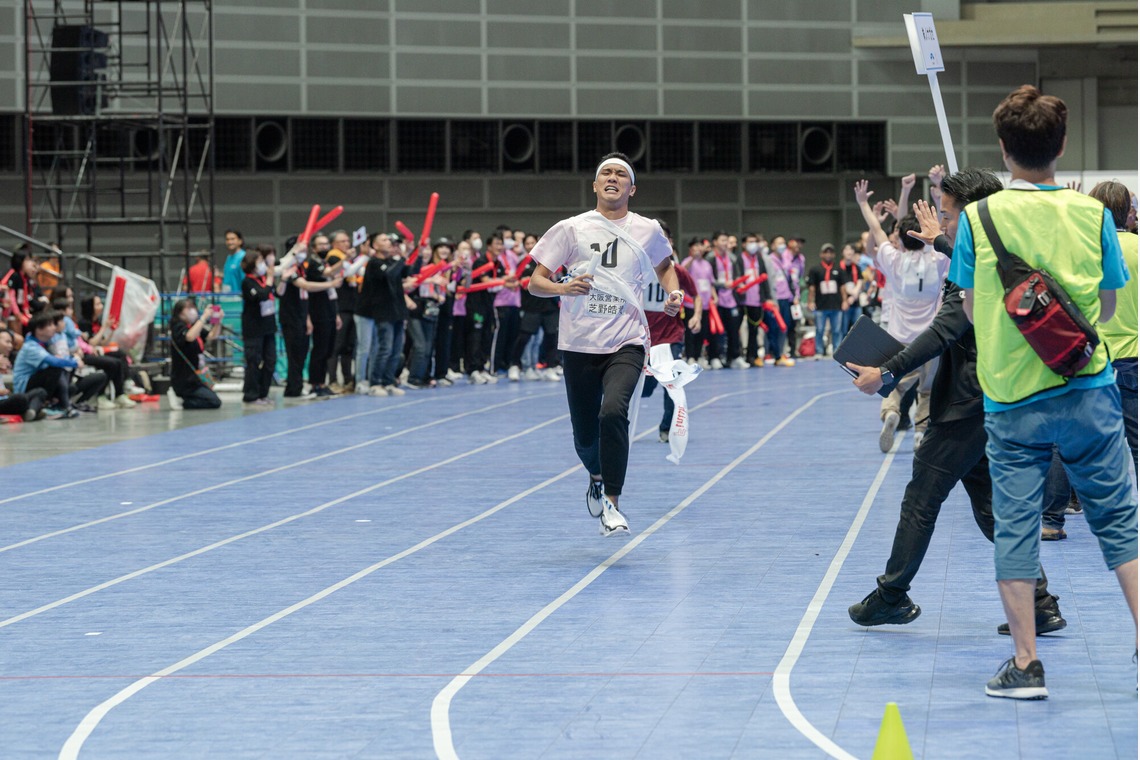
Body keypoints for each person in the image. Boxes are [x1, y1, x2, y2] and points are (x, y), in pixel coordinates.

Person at [950, 85, 1136, 699]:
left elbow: (972, 311)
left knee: (1017, 526)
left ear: (1004, 149)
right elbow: (1107, 305)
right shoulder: (1093, 215)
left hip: (1011, 400)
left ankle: (1026, 664)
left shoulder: (978, 218)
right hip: (1089, 388)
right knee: (1120, 522)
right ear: (1062, 147)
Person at [845, 167, 1066, 638]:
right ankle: (1041, 604)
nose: (940, 223)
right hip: (997, 401)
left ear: (971, 216)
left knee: (920, 501)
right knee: (991, 510)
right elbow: (978, 272)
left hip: (965, 404)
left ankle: (890, 596)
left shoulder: (972, 270)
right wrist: (941, 242)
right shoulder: (1001, 255)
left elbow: (946, 329)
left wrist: (886, 372)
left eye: (946, 215)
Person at [527, 152, 683, 537]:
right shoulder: (571, 228)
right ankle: (595, 475)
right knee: (584, 437)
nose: (612, 178)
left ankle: (612, 502)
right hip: (579, 342)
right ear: (595, 185)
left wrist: (674, 293)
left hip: (627, 340)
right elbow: (535, 282)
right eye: (605, 174)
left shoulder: (647, 229)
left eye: (620, 174)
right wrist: (564, 287)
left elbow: (664, 265)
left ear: (632, 187)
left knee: (614, 412)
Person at [855, 181, 950, 452]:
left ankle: (892, 414)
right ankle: (921, 432)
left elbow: (876, 230)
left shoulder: (893, 260)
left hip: (898, 339)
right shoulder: (938, 259)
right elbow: (944, 233)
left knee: (893, 384)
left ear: (902, 237)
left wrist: (863, 203)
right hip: (930, 339)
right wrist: (938, 197)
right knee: (928, 390)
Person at [1089, 180, 1138, 468]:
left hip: (1091, 356)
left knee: (1080, 441)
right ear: (1127, 211)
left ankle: (1066, 502)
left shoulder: (1085, 250)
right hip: (1133, 356)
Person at [641, 220, 701, 442]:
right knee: (644, 389)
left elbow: (697, 295)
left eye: (663, 238)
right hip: (644, 337)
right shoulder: (637, 268)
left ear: (670, 242)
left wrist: (697, 316)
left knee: (671, 384)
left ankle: (666, 428)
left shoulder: (678, 271)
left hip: (671, 336)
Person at [167, 298, 223, 410]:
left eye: (193, 307)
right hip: (184, 379)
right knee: (214, 402)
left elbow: (212, 336)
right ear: (180, 312)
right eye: (188, 308)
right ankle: (182, 402)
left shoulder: (194, 326)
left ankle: (186, 399)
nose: (193, 311)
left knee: (213, 399)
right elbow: (189, 336)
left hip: (197, 377)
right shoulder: (178, 327)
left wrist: (217, 321)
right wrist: (203, 317)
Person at [239, 245, 277, 405]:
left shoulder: (262, 280)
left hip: (268, 326)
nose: (263, 264)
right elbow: (260, 296)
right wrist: (269, 279)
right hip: (253, 328)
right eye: (260, 261)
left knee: (270, 360)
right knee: (253, 361)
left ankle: (263, 392)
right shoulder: (247, 282)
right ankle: (251, 394)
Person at [806, 243, 848, 356]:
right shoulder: (815, 270)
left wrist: (845, 301)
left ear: (834, 254)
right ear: (821, 254)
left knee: (836, 330)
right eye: (826, 252)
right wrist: (810, 301)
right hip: (821, 305)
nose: (828, 254)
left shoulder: (839, 269)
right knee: (819, 329)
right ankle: (819, 351)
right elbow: (812, 287)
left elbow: (843, 287)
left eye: (831, 252)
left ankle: (836, 351)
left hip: (836, 305)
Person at [221, 229, 247, 293]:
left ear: (240, 241)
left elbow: (246, 280)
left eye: (232, 239)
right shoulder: (229, 257)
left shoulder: (243, 257)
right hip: (228, 297)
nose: (229, 242)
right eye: (227, 239)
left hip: (239, 298)